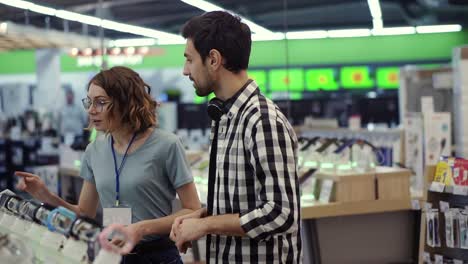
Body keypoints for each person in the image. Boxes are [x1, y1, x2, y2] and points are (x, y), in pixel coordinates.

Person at [16, 66, 201, 264]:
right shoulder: (94, 150)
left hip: (157, 256)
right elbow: (84, 213)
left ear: (126, 103)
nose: (91, 110)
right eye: (89, 102)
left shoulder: (167, 145)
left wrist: (141, 228)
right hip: (111, 255)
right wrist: (46, 195)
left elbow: (192, 210)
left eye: (101, 103)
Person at [170, 11, 302, 263]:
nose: (185, 71)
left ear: (213, 60)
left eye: (189, 60)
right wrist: (201, 218)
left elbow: (282, 213)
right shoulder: (226, 117)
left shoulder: (262, 121)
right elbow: (242, 203)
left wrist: (207, 226)